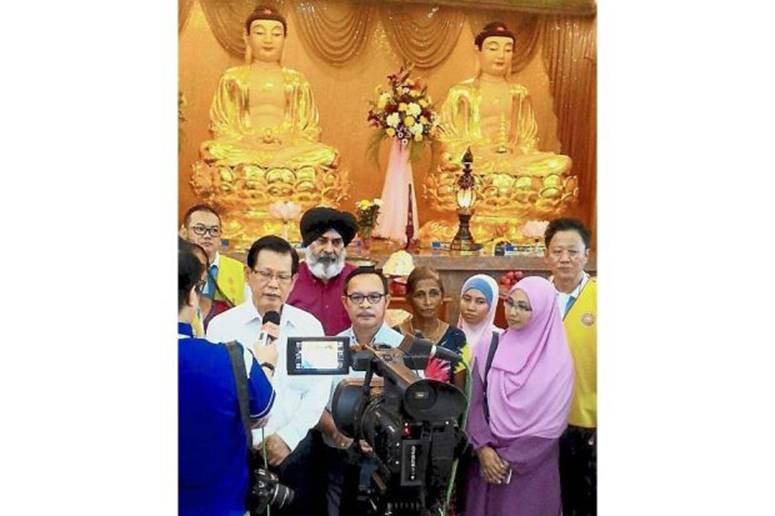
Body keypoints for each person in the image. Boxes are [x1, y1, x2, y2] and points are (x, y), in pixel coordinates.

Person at [206, 235, 329, 515]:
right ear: (248, 274)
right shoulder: (222, 327)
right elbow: (218, 393)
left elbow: (318, 389)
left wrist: (288, 437)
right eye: (265, 274)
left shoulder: (308, 326)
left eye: (283, 277)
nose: (273, 284)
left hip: (296, 450)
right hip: (238, 453)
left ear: (294, 281)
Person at [421, 21, 573, 243]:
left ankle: (519, 221)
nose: (501, 55)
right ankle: (475, 220)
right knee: (453, 168)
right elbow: (448, 138)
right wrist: (477, 150)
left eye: (507, 49)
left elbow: (529, 139)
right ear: (479, 52)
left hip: (512, 163)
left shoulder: (519, 93)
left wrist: (515, 151)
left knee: (560, 163)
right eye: (493, 48)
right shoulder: (462, 92)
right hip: (475, 163)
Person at [178, 246, 277, 516]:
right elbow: (261, 413)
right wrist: (266, 364)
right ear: (191, 296)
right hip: (221, 506)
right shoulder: (232, 357)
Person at [465, 276, 574, 516]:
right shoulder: (489, 346)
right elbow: (473, 404)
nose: (513, 312)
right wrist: (484, 449)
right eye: (510, 303)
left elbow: (551, 427)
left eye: (524, 307)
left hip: (532, 470)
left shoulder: (558, 364)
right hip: (487, 462)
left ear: (544, 312)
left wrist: (507, 460)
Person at [544, 217, 597, 516]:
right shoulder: (534, 298)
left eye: (573, 251)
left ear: (586, 255)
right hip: (542, 422)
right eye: (558, 251)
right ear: (546, 255)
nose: (565, 258)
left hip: (588, 420)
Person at [286, 207, 359, 335]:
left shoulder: (357, 278)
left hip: (349, 352)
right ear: (308, 243)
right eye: (322, 241)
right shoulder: (288, 277)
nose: (329, 249)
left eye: (336, 242)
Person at [395, 266, 469, 389]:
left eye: (434, 294)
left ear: (442, 297)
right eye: (420, 295)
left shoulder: (457, 337)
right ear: (408, 299)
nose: (428, 302)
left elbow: (458, 393)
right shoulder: (395, 336)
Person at [179, 204, 246, 307]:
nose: (207, 235)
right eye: (200, 229)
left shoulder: (240, 270)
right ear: (184, 233)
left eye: (214, 230)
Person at [458, 274, 503, 355]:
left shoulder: (500, 340)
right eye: (467, 299)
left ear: (491, 306)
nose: (471, 308)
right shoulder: (450, 337)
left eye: (480, 302)